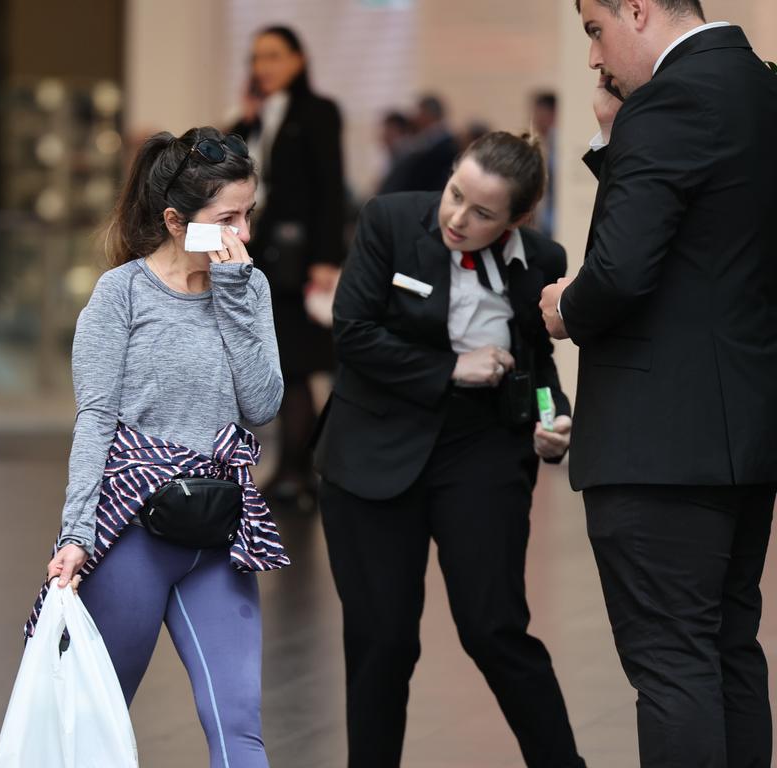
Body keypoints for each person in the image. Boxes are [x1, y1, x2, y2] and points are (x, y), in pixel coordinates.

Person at [539, 2, 777, 766]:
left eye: (593, 29)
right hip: (746, 428)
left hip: (660, 442)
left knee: (672, 663)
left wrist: (565, 307)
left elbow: (620, 270)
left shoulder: (673, 99)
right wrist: (615, 136)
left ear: (637, 10)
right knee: (729, 648)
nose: (592, 56)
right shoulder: (761, 88)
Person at [316, 132, 586, 768]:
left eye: (482, 213)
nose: (457, 218)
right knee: (382, 641)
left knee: (494, 630)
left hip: (481, 449)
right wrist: (450, 370)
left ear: (518, 220)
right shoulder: (389, 221)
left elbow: (537, 360)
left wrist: (555, 421)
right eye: (455, 194)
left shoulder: (541, 259)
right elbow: (353, 333)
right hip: (374, 447)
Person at [38, 126, 288, 768]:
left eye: (248, 215)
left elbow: (262, 405)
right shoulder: (119, 296)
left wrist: (234, 294)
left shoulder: (248, 288)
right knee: (94, 726)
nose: (244, 236)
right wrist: (74, 535)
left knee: (240, 727)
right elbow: (94, 421)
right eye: (227, 219)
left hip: (217, 531)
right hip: (131, 537)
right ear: (178, 222)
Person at [230, 25, 346, 507]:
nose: (264, 67)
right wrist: (247, 121)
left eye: (274, 56)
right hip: (264, 260)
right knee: (282, 370)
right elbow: (235, 170)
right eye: (258, 58)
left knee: (294, 368)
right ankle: (295, 472)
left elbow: (330, 188)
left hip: (299, 263)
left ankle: (299, 472)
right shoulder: (259, 117)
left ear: (298, 59)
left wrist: (325, 258)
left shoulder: (318, 112)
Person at [378, 94, 460, 195]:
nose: (416, 118)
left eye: (419, 112)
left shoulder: (444, 145)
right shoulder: (428, 141)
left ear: (428, 114)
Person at [530, 92, 557, 237]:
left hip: (553, 217)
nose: (534, 118)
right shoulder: (544, 141)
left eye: (538, 112)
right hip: (545, 217)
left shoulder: (557, 142)